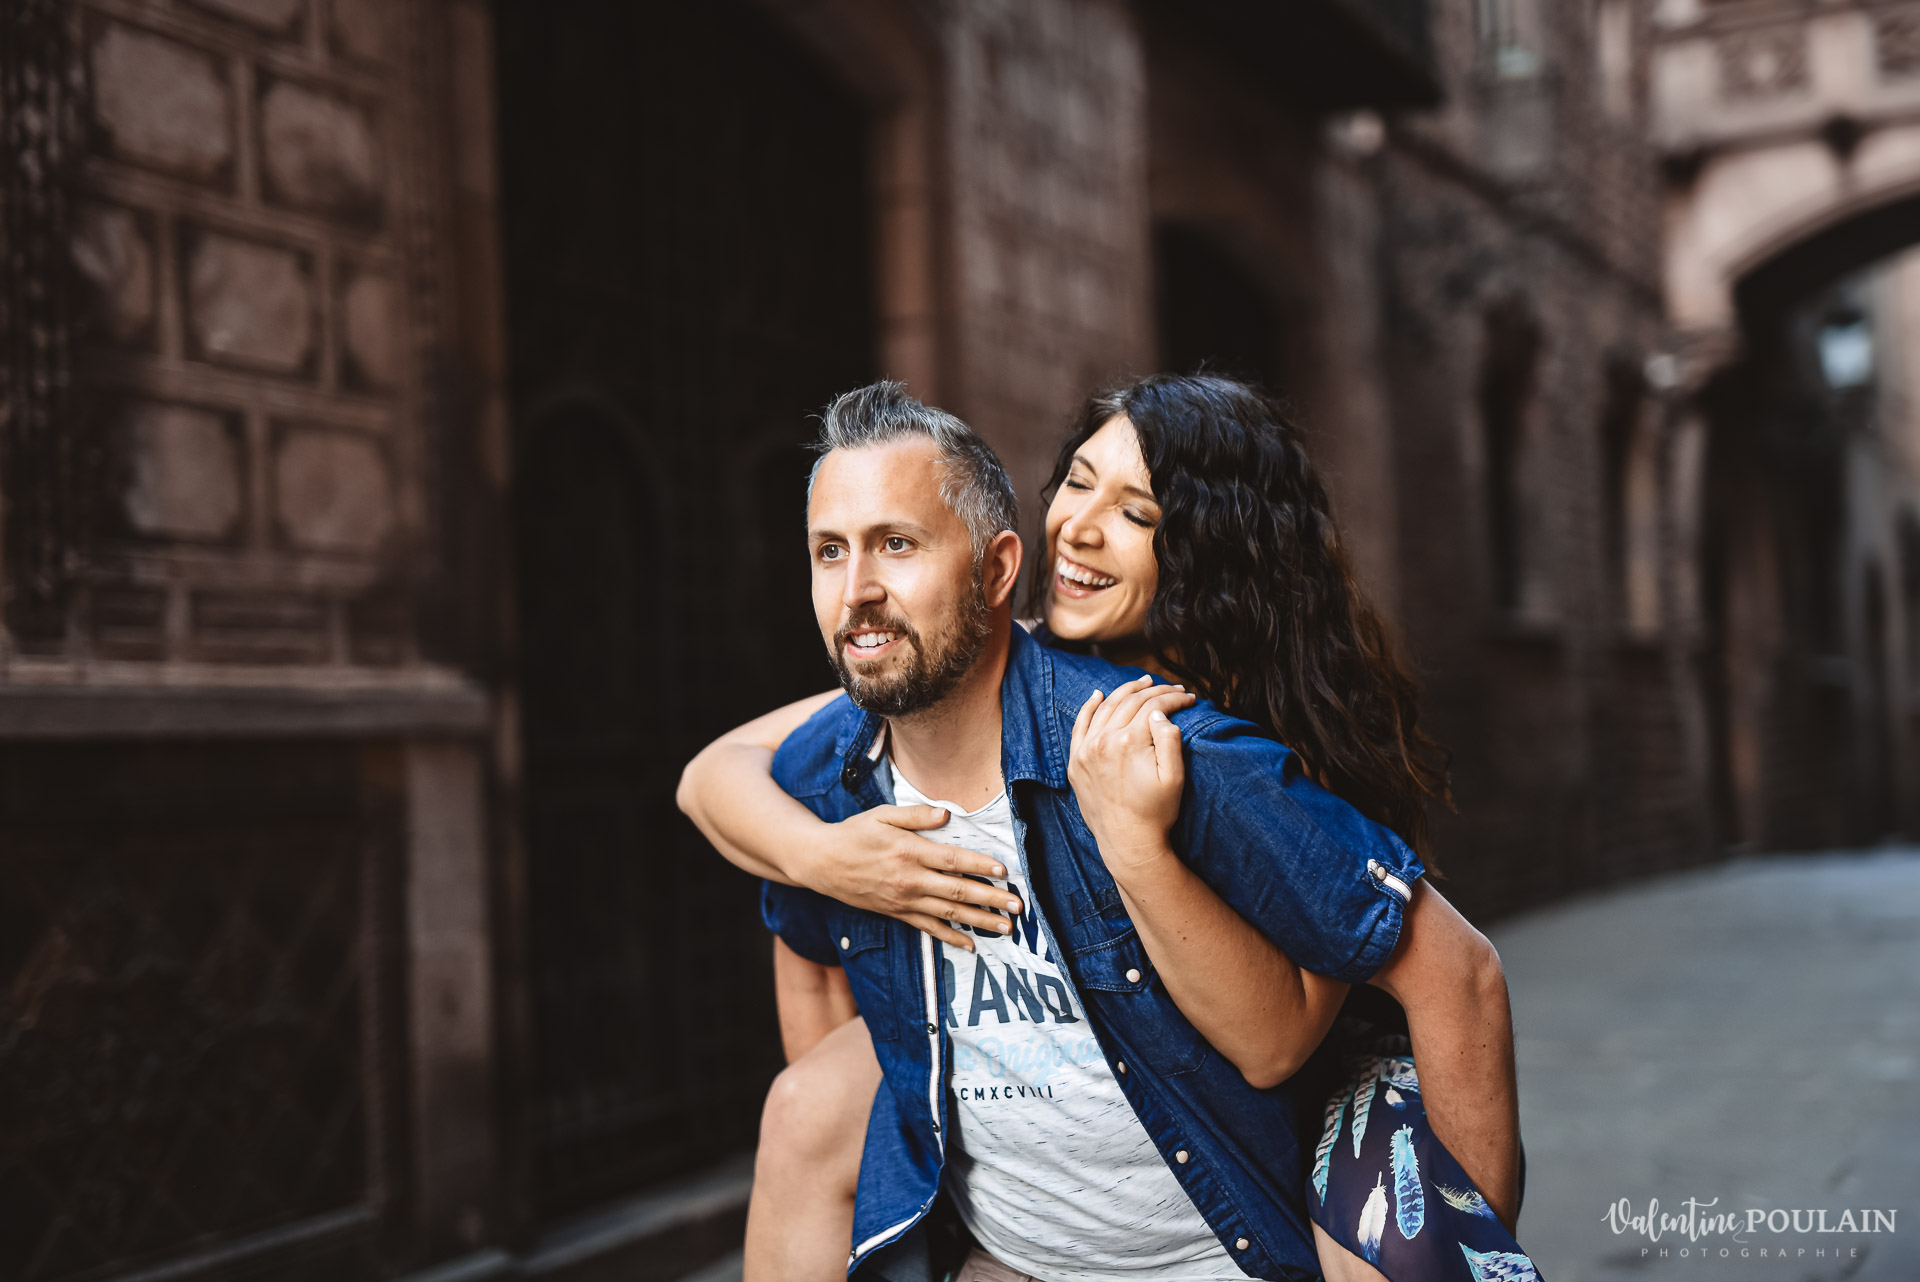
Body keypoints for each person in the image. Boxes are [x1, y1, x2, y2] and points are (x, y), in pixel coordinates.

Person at [679, 378, 1538, 1281]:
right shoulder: (962, 665)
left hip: (1308, 1094)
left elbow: (1281, 1039)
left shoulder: (1244, 746)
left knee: (1391, 1235)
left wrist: (1473, 1241)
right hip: (1076, 1160)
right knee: (809, 1103)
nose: (1079, 529)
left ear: (1213, 552)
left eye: (1136, 512)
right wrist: (831, 860)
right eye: (1077, 483)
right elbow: (719, 776)